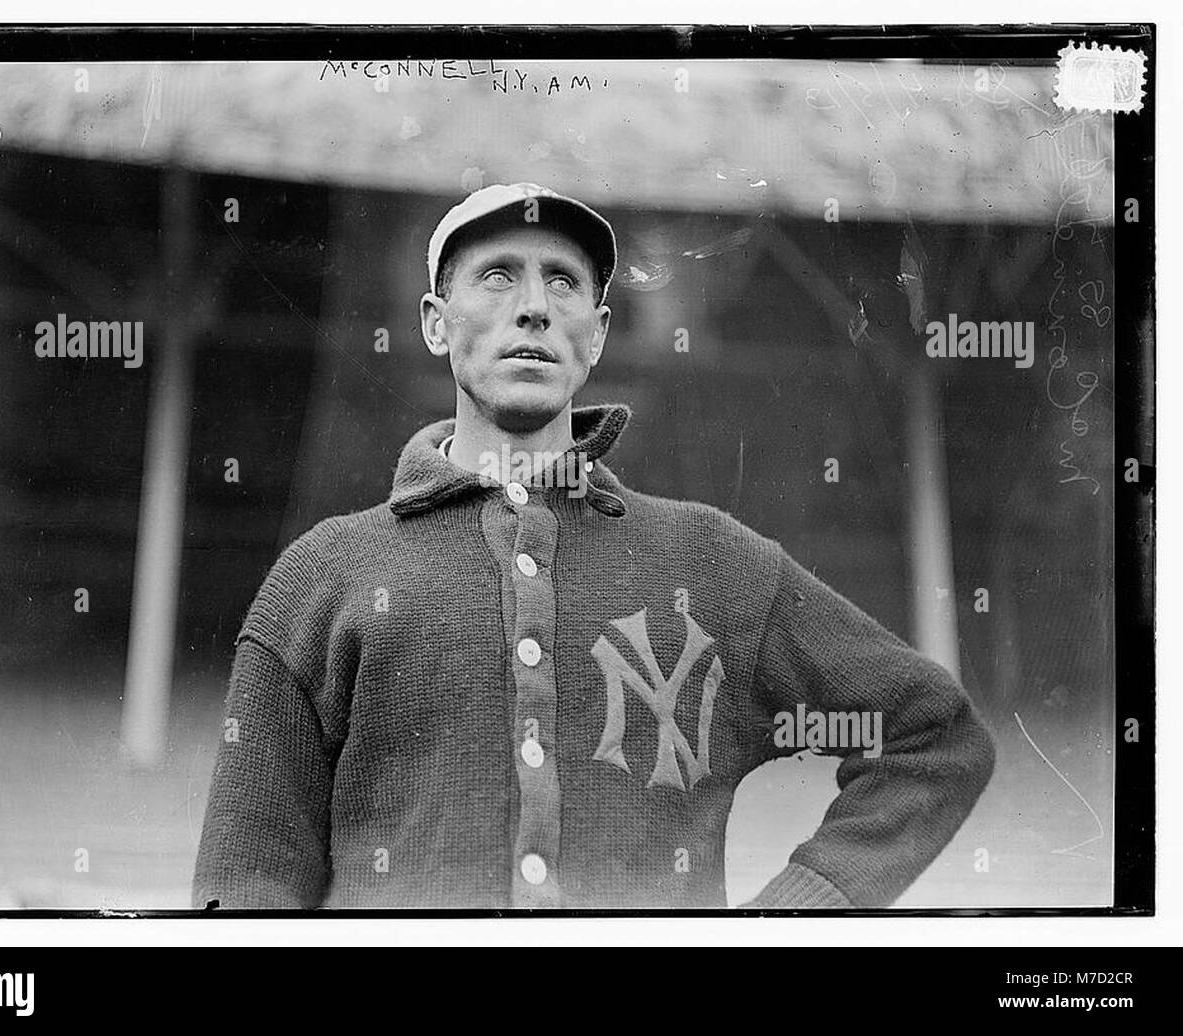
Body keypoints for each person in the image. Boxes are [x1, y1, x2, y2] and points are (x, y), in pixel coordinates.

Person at [192, 182, 995, 910]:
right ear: (436, 323)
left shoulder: (711, 563)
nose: (534, 307)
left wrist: (793, 916)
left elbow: (934, 736)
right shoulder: (323, 576)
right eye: (498, 276)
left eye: (564, 282)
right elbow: (245, 881)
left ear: (598, 334)